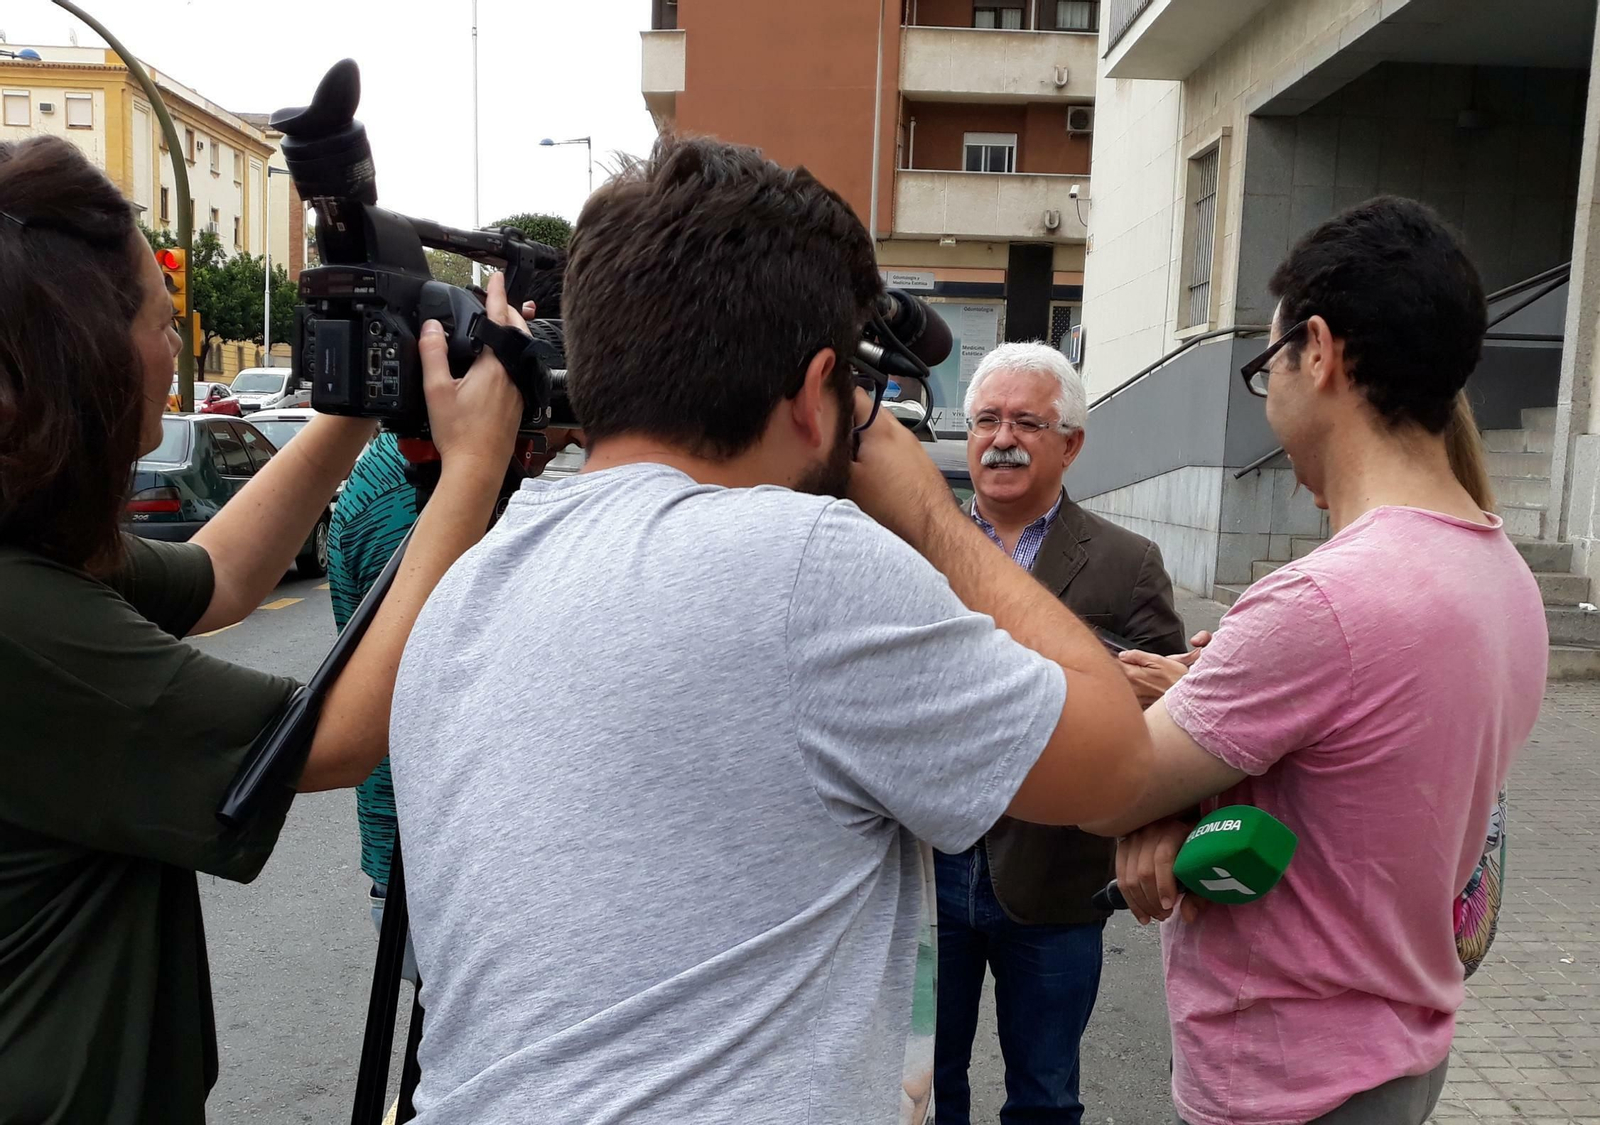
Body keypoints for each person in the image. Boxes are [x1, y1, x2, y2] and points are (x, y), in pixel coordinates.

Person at [386, 134, 1154, 1124]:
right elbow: (1116, 762)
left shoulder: (467, 580)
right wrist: (930, 517)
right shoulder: (807, 564)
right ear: (813, 389)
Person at [0, 135, 524, 1124]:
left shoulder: (34, 553)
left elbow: (223, 575)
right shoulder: (22, 621)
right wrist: (469, 475)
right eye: (163, 319)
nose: (174, 347)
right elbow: (334, 739)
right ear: (93, 354)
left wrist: (361, 400)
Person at [1081, 196, 1549, 1125]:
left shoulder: (1324, 603)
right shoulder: (1504, 577)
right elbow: (1361, 792)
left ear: (1321, 351)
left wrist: (1166, 778)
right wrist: (1214, 723)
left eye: (1268, 362)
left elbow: (1106, 785)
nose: (1271, 390)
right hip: (1397, 1055)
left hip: (1289, 1083)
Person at [934, 341, 1187, 1125]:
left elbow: (1178, 715)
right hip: (928, 869)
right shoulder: (915, 546)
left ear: (1071, 442)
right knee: (920, 1085)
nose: (1001, 437)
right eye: (986, 420)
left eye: (1026, 422)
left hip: (1054, 879)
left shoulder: (1126, 563)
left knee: (1045, 1095)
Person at [327, 259, 577, 974]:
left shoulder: (431, 476)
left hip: (434, 869)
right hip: (444, 878)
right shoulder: (414, 497)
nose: (564, 432)